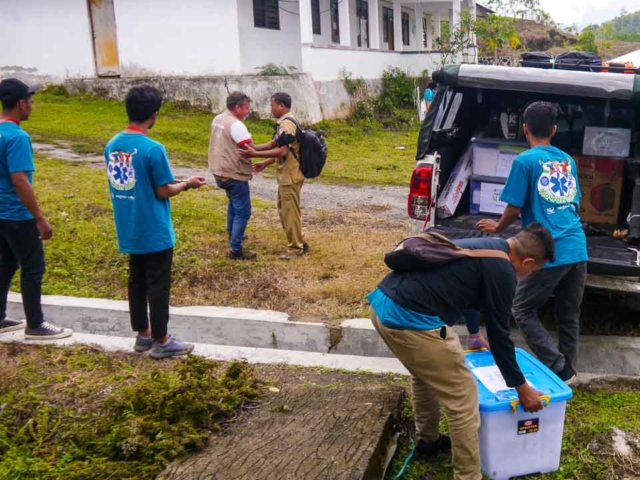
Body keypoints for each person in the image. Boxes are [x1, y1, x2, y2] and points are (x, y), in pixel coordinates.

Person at [369, 224, 555, 480]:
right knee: (463, 397)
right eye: (532, 270)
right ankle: (468, 476)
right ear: (528, 261)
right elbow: (501, 337)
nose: (527, 275)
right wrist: (522, 388)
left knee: (424, 373)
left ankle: (428, 441)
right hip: (408, 319)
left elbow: (470, 291)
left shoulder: (487, 246)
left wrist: (474, 333)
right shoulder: (503, 270)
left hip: (382, 305)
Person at [477, 101, 587, 384]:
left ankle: (559, 367)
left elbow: (514, 206)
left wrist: (498, 227)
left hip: (548, 249)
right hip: (577, 246)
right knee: (568, 314)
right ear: (554, 129)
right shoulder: (568, 161)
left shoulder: (524, 161)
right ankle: (568, 372)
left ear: (524, 128)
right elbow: (574, 203)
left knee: (521, 308)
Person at [105, 85, 206, 359]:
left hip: (129, 226)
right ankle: (162, 340)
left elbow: (136, 182)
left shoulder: (113, 146)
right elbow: (163, 190)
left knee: (136, 281)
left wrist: (175, 182)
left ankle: (143, 335)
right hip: (154, 229)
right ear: (154, 114)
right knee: (158, 284)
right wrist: (186, 184)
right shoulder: (153, 148)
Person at [0, 78, 72, 340]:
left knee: (6, 264)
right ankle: (36, 324)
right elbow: (19, 179)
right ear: (21, 103)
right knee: (33, 267)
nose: (32, 105)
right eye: (30, 101)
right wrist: (39, 217)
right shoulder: (18, 137)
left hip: (0, 214)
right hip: (17, 214)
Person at [238, 92, 308, 259]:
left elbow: (283, 151)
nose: (271, 109)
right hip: (289, 174)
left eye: (272, 105)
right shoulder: (286, 122)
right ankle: (299, 241)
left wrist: (254, 154)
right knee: (287, 210)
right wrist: (259, 154)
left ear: (281, 106)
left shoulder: (286, 124)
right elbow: (275, 144)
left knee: (289, 212)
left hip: (290, 175)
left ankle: (295, 249)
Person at [208, 92, 257, 260]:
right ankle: (235, 250)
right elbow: (250, 150)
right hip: (233, 173)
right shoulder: (236, 125)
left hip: (218, 170)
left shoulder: (218, 119)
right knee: (243, 211)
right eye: (246, 108)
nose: (247, 112)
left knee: (234, 203)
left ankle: (233, 233)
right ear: (237, 108)